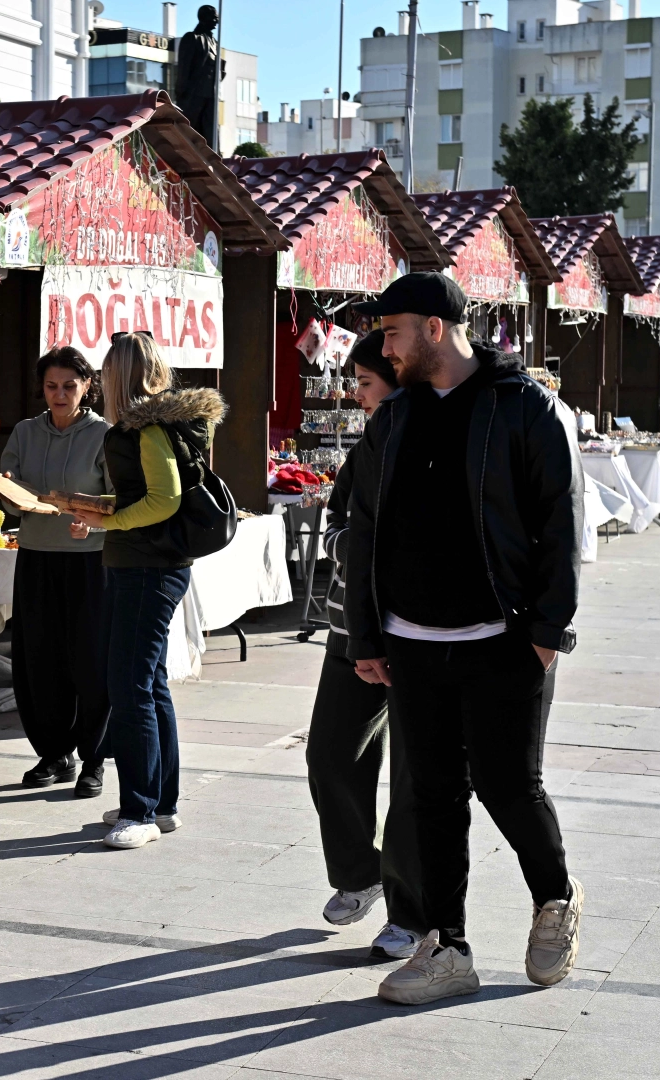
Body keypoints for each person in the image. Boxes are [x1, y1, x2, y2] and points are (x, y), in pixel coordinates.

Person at [347, 273, 584, 1005]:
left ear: (434, 329)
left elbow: (560, 520)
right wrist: (366, 633)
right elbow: (364, 527)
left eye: (393, 332)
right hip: (411, 641)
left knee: (508, 786)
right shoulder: (394, 417)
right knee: (432, 797)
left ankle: (555, 899)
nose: (385, 348)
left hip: (502, 637)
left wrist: (546, 631)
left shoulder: (523, 406)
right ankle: (446, 947)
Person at [72, 332, 224, 850]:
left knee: (130, 686)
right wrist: (99, 511)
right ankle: (159, 804)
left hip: (147, 570)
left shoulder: (145, 427)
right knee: (149, 684)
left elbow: (164, 500)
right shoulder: (151, 425)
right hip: (146, 566)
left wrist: (108, 522)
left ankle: (139, 811)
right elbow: (148, 495)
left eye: (104, 372)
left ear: (116, 376)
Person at [305, 331, 423, 961]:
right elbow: (338, 524)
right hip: (351, 632)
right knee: (330, 756)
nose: (356, 395)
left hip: (416, 636)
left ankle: (413, 914)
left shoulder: (431, 437)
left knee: (415, 781)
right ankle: (360, 871)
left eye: (365, 382)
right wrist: (357, 546)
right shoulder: (368, 442)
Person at [0, 347, 111, 796]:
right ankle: (53, 753)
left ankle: (94, 759)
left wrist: (93, 521)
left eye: (69, 385)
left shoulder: (105, 434)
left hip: (90, 561)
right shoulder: (25, 432)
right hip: (36, 556)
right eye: (51, 386)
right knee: (39, 660)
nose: (59, 394)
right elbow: (10, 498)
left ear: (87, 386)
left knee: (91, 661)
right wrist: (9, 492)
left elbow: (119, 502)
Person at [174, 5, 223, 145]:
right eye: (213, 18)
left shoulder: (215, 42)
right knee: (189, 130)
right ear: (203, 18)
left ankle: (213, 156)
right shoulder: (192, 38)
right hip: (195, 94)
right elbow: (184, 67)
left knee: (211, 132)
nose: (216, 21)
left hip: (211, 95)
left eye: (217, 18)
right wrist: (181, 92)